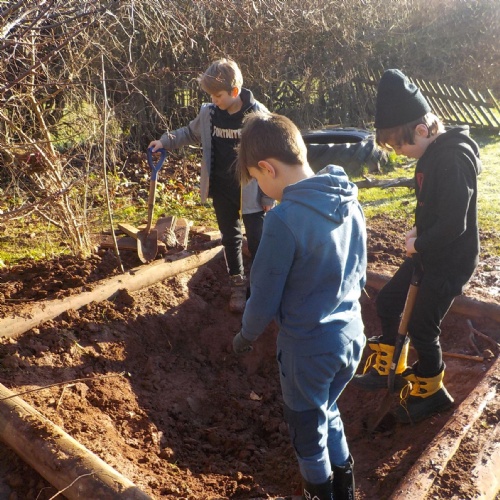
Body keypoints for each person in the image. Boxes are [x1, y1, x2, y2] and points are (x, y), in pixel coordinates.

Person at [233, 111, 367, 500]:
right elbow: (360, 270)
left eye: (256, 180)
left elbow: (264, 295)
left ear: (267, 168)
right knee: (327, 409)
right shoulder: (347, 198)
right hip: (350, 336)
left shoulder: (283, 220)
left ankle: (322, 493)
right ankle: (346, 492)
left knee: (306, 435)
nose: (260, 189)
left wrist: (246, 335)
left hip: (307, 349)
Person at [352, 69, 482, 424]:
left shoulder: (454, 158)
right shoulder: (431, 154)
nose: (399, 153)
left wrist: (420, 242)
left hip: (451, 260)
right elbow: (434, 207)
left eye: (399, 146)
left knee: (424, 327)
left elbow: (455, 222)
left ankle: (431, 389)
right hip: (429, 251)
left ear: (422, 130)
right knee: (388, 301)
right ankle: (392, 363)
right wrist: (418, 232)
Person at [149, 58, 273, 313]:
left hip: (252, 190)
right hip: (222, 186)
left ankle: (261, 287)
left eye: (218, 96)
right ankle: (237, 284)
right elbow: (189, 132)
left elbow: (271, 155)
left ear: (234, 91)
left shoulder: (258, 115)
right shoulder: (209, 113)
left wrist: (268, 196)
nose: (214, 100)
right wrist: (164, 141)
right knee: (230, 237)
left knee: (258, 240)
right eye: (211, 96)